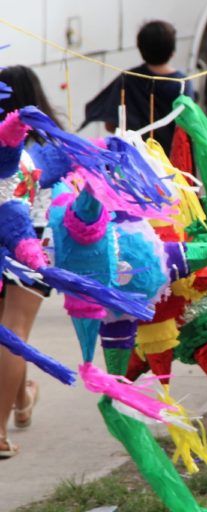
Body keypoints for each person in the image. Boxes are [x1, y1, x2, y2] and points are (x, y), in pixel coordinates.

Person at [0, 65, 60, 459]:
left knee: (7, 331)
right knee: (15, 330)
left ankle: (21, 400)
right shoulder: (48, 146)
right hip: (33, 244)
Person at [81, 20, 194, 153]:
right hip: (174, 162)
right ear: (173, 51)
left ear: (140, 49)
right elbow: (190, 128)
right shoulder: (182, 84)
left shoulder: (127, 79)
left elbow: (110, 124)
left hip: (138, 161)